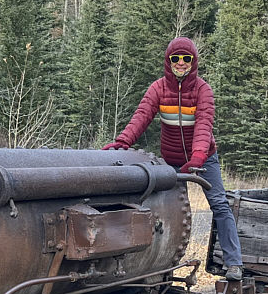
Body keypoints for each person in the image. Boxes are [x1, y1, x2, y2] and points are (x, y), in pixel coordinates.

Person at [103, 37, 244, 281]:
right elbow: (142, 116)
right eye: (175, 58)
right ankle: (162, 265)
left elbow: (203, 125)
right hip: (171, 161)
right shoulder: (158, 88)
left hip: (204, 159)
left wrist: (199, 156)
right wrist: (123, 141)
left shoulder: (203, 90)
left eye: (186, 59)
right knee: (166, 210)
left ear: (193, 62)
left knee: (220, 205)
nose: (181, 63)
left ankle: (234, 264)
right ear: (168, 62)